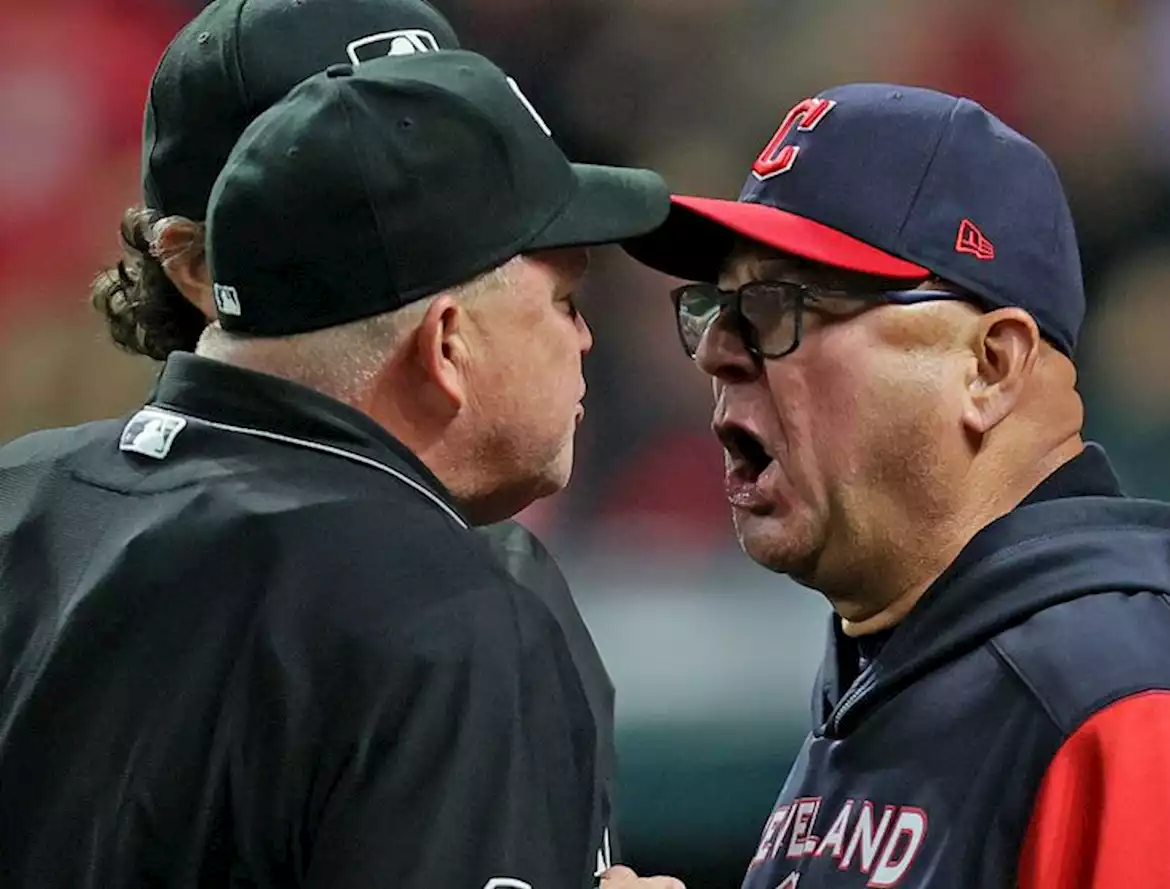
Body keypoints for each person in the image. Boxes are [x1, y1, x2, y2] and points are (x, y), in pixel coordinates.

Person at [0, 48, 682, 889]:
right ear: (447, 343)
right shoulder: (440, 612)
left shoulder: (18, 493)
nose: (584, 339)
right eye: (564, 302)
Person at [624, 83, 1170, 888]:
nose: (716, 350)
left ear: (990, 365)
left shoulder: (1141, 705)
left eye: (776, 304)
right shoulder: (899, 669)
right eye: (717, 307)